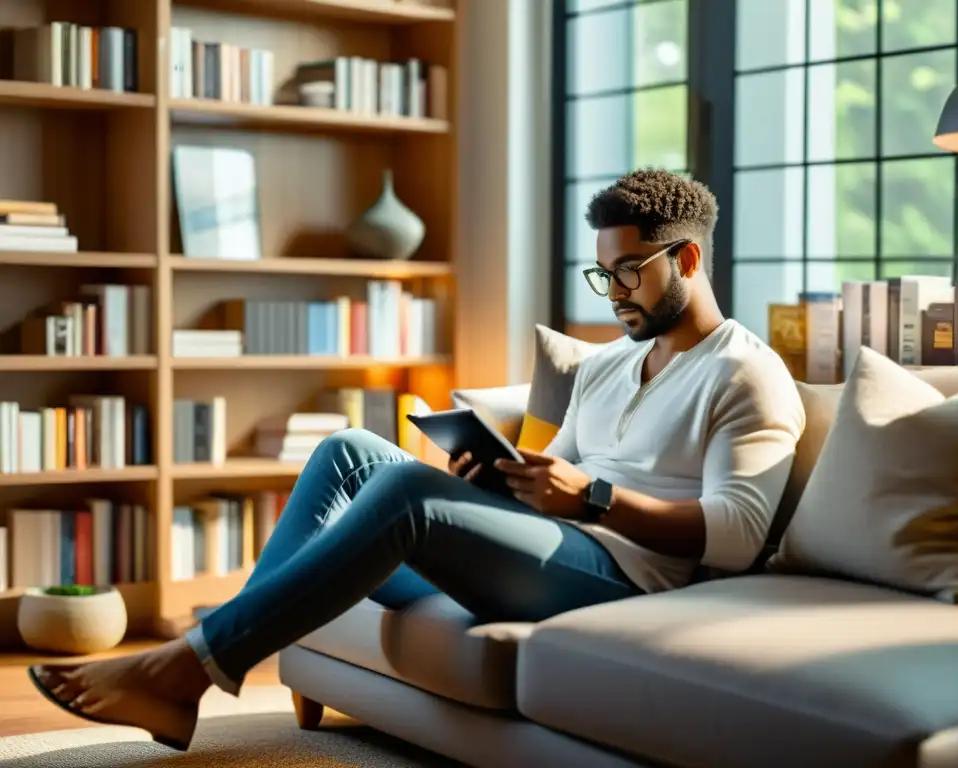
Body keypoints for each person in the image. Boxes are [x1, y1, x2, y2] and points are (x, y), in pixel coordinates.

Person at [27, 168, 805, 751]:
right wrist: (499, 478)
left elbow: (735, 538)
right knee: (348, 452)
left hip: (627, 581)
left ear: (690, 259)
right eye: (603, 274)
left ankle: (181, 670)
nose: (613, 293)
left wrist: (593, 498)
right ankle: (202, 665)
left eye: (630, 271)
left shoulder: (746, 373)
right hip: (559, 549)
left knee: (402, 488)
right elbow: (556, 471)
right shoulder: (605, 365)